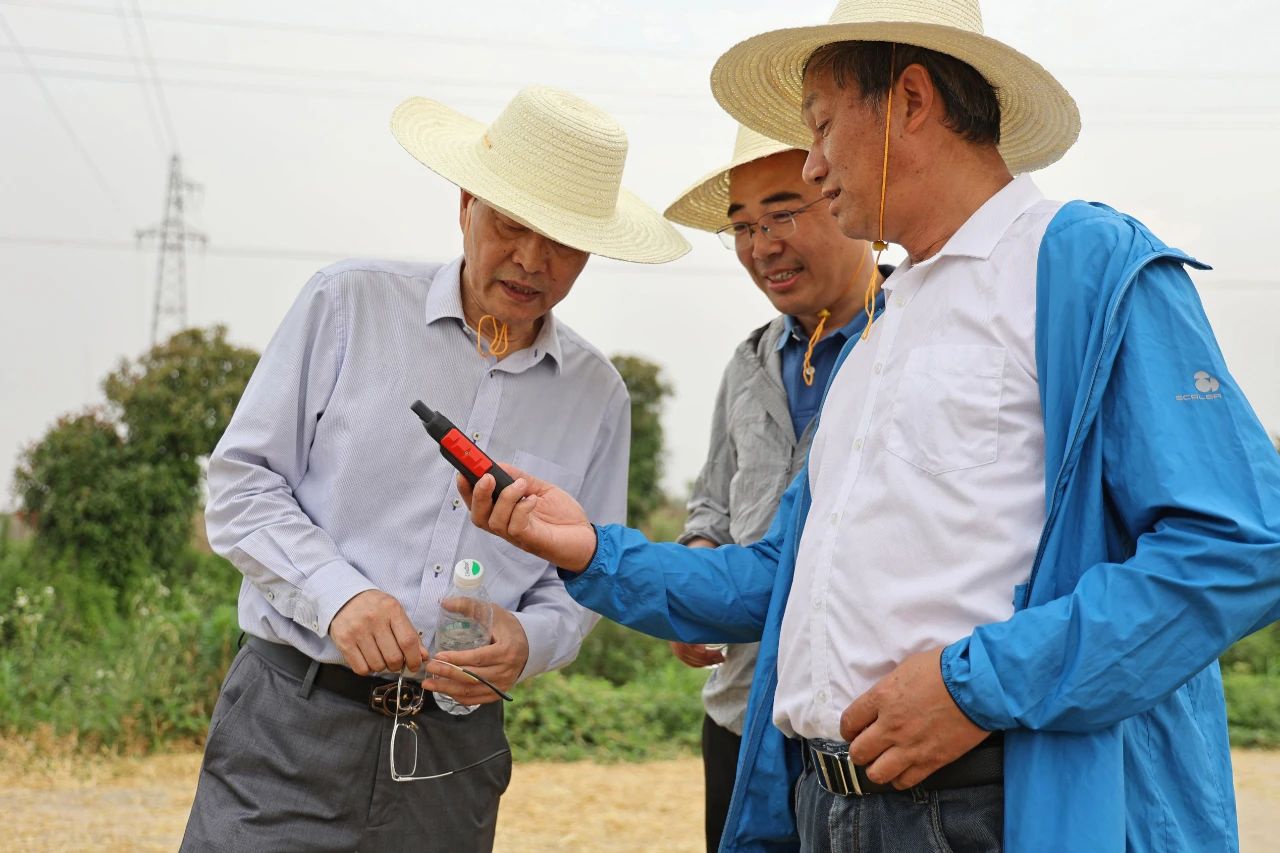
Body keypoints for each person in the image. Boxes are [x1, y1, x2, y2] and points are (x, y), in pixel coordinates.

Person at [460, 3, 1280, 851]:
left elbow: (1240, 544)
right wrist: (591, 551)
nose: (813, 164)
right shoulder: (883, 329)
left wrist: (973, 687)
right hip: (828, 806)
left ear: (911, 101)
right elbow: (779, 576)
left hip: (983, 807)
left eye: (820, 126)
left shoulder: (1080, 265)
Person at [180, 86, 688, 853]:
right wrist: (339, 594)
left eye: (562, 241)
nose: (532, 259)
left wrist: (528, 641)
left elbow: (580, 579)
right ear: (466, 205)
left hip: (455, 752)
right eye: (511, 224)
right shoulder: (348, 305)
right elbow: (242, 484)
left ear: (591, 252)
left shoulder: (598, 396)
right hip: (290, 724)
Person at [663, 124, 888, 853]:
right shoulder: (749, 361)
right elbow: (714, 505)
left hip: (867, 728)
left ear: (845, 193)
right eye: (743, 226)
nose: (762, 246)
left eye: (783, 213)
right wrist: (696, 570)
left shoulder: (913, 339)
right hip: (740, 712)